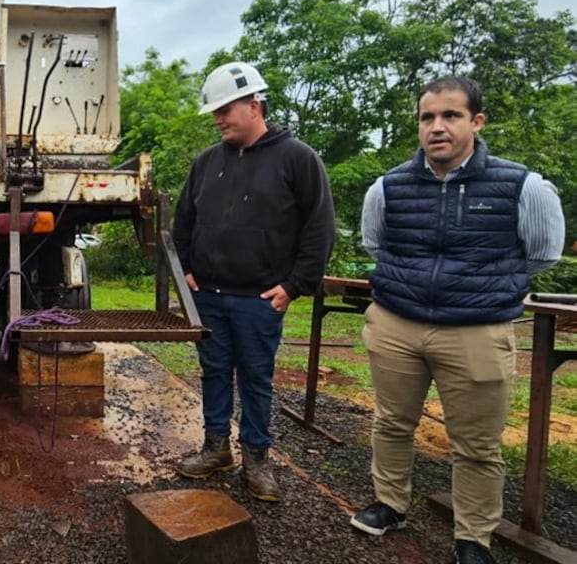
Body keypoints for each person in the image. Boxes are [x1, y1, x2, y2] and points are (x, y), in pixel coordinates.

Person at [350, 76, 565, 564]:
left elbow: (542, 253)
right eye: (427, 117)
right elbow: (376, 244)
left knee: (477, 444)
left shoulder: (522, 186)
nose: (437, 127)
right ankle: (390, 504)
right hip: (397, 324)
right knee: (391, 422)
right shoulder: (388, 187)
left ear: (476, 121)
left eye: (451, 115)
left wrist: (480, 287)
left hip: (476, 330)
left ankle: (473, 537)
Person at [171, 61, 336, 501]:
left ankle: (257, 460)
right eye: (215, 112)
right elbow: (183, 221)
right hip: (209, 295)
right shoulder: (206, 163)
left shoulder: (297, 158)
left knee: (256, 378)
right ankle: (215, 449)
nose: (218, 119)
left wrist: (296, 284)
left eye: (225, 110)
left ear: (254, 105)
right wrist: (186, 269)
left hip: (259, 298)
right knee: (214, 372)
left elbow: (319, 227)